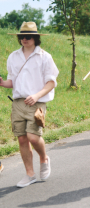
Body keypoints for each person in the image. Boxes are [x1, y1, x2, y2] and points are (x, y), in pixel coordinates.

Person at [0, 22, 59, 187]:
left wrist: (36, 95)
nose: (24, 39)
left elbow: (51, 83)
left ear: (35, 38)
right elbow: (13, 81)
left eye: (28, 36)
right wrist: (3, 83)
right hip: (18, 102)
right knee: (22, 139)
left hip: (37, 101)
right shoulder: (13, 56)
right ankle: (30, 174)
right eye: (22, 37)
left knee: (33, 136)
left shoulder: (45, 57)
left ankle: (44, 158)